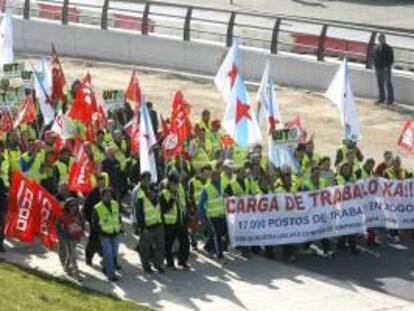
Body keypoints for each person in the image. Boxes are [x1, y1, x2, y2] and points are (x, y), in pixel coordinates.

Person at [134, 178, 165, 274]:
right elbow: (139, 215)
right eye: (153, 191)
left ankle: (158, 264)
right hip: (147, 228)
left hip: (158, 226)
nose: (155, 193)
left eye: (156, 192)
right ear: (148, 189)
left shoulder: (159, 198)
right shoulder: (141, 199)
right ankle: (146, 266)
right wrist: (142, 228)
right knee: (145, 248)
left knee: (160, 246)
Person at [160, 173, 190, 269]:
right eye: (174, 184)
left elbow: (183, 202)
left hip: (181, 220)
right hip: (169, 223)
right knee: (168, 244)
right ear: (169, 183)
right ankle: (170, 262)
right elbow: (164, 209)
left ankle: (182, 261)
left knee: (185, 242)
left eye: (177, 184)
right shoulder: (164, 193)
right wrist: (173, 198)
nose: (176, 186)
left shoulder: (180, 189)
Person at [198, 167, 228, 264]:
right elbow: (201, 204)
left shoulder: (222, 185)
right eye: (215, 175)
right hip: (212, 216)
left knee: (221, 233)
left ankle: (208, 247)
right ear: (211, 177)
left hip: (222, 214)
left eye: (218, 175)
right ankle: (220, 255)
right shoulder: (206, 188)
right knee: (218, 235)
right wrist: (201, 217)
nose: (218, 177)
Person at [92, 188, 122, 281]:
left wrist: (120, 227)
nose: (109, 198)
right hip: (105, 235)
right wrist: (101, 232)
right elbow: (94, 223)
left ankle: (105, 265)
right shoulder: (97, 208)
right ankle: (111, 274)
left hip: (115, 233)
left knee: (114, 253)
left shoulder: (115, 204)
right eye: (107, 196)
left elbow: (118, 216)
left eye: (110, 196)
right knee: (108, 254)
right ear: (101, 197)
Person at [55, 198, 85, 281]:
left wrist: (81, 232)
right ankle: (76, 274)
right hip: (67, 238)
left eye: (75, 205)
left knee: (71, 253)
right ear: (67, 206)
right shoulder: (62, 215)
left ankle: (66, 267)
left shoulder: (78, 214)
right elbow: (58, 228)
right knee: (73, 255)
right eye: (71, 205)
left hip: (76, 236)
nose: (74, 207)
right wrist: (65, 237)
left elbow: (82, 224)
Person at [83, 175, 106, 266]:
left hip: (105, 222)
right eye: (100, 183)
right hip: (95, 222)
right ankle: (89, 258)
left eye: (103, 182)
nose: (102, 184)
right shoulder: (92, 193)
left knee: (105, 241)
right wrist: (91, 220)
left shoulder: (107, 191)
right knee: (92, 240)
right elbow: (86, 208)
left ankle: (106, 258)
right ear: (97, 183)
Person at [373, 33, 394, 105]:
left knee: (388, 84)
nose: (381, 40)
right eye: (380, 39)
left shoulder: (389, 48)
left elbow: (391, 59)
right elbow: (374, 57)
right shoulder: (376, 47)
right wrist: (375, 65)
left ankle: (390, 100)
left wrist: (387, 66)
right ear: (378, 40)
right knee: (380, 84)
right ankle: (381, 98)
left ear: (385, 39)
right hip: (378, 68)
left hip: (386, 69)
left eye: (382, 39)